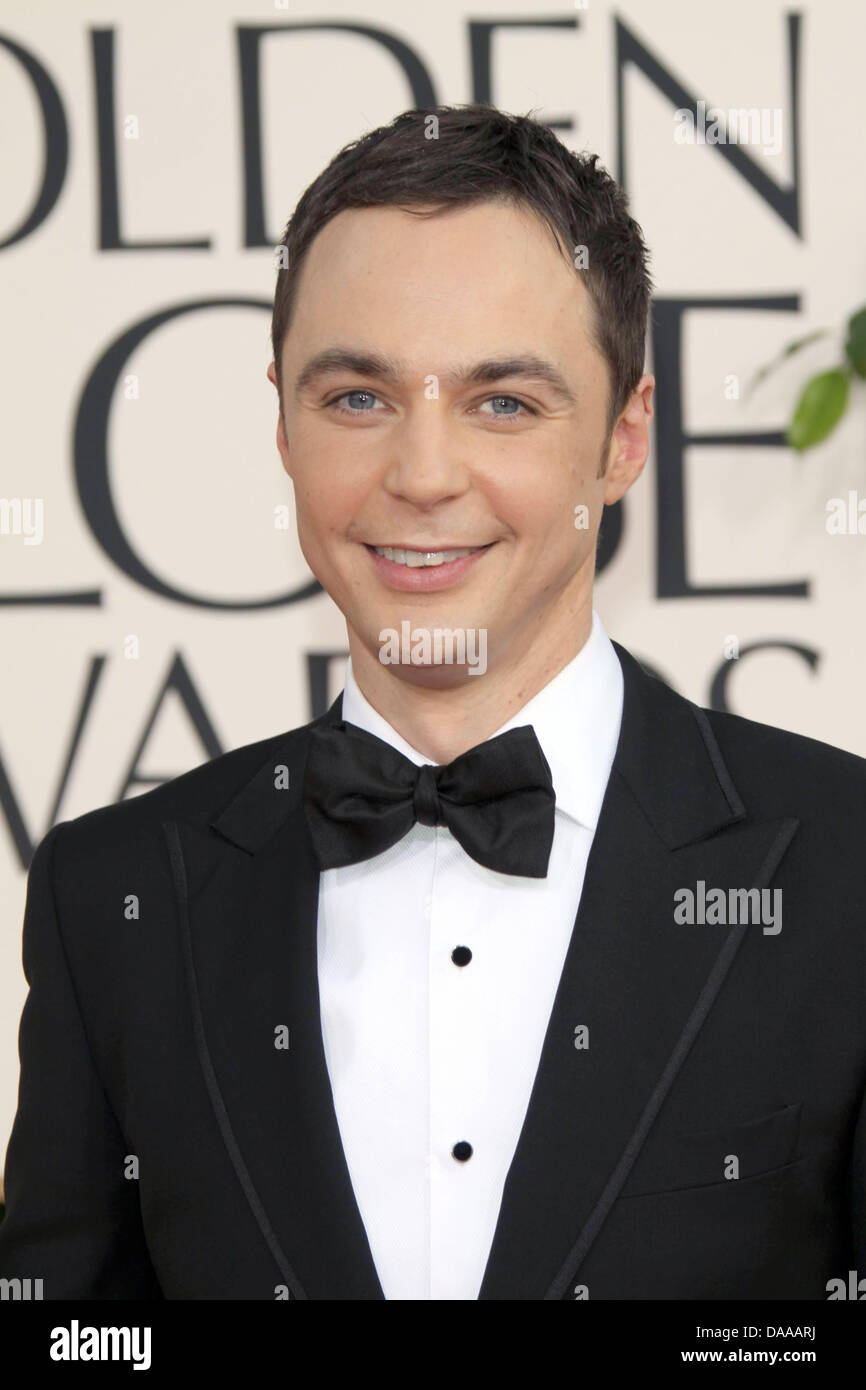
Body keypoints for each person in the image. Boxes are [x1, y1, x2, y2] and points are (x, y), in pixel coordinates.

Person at [1, 104, 864, 1301]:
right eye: (356, 397)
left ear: (621, 440)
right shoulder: (115, 896)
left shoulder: (841, 866)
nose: (418, 476)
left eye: (501, 401)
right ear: (283, 424)